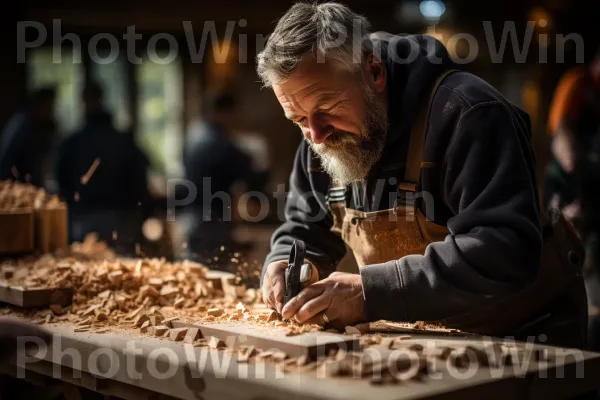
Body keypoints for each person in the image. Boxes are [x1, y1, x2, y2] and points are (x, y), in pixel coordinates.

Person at [258, 2, 587, 348]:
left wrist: (371, 293)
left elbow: (503, 249)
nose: (317, 136)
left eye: (327, 108)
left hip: (526, 336)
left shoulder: (468, 114)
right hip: (425, 339)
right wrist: (283, 260)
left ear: (373, 71)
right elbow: (304, 225)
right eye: (298, 120)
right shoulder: (321, 134)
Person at [544, 50, 600, 350]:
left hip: (593, 186)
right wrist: (573, 173)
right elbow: (561, 132)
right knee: (565, 246)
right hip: (571, 179)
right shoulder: (578, 83)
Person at [55, 82, 150, 255]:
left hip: (100, 217)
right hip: (111, 218)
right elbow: (140, 180)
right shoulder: (121, 140)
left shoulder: (73, 143)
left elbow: (62, 183)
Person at [180, 92, 268, 267]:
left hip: (191, 214)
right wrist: (260, 161)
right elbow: (253, 178)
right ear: (225, 112)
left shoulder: (192, 136)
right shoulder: (220, 143)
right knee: (214, 271)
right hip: (213, 220)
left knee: (195, 270)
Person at [0, 87, 57, 188]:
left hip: (29, 184)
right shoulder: (22, 124)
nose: (51, 111)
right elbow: (7, 159)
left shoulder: (39, 125)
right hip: (15, 185)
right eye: (49, 106)